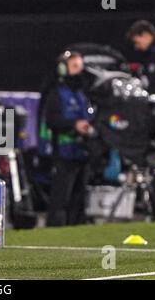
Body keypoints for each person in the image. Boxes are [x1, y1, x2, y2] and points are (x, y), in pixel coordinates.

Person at [44, 51, 91, 227]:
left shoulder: (82, 93)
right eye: (75, 67)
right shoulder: (56, 93)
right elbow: (52, 120)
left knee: (79, 198)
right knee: (60, 198)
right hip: (64, 153)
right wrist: (73, 125)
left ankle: (77, 232)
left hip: (83, 151)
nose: (80, 71)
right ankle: (54, 232)